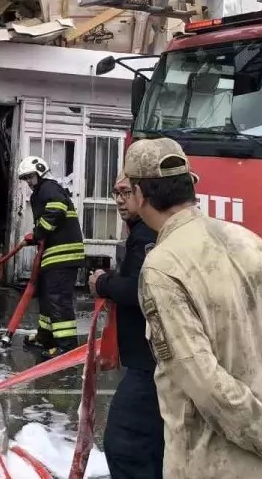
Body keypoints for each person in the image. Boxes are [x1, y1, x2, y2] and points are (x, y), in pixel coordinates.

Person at [127, 137, 262, 479]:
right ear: (190, 187)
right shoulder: (251, 242)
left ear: (139, 194)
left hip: (213, 465)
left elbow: (205, 384)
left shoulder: (162, 267)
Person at [88, 171, 163, 479]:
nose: (118, 200)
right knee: (153, 444)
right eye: (115, 193)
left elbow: (139, 290)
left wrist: (103, 283)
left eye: (125, 192)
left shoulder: (146, 235)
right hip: (150, 361)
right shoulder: (141, 232)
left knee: (124, 443)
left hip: (150, 363)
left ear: (142, 194)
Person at [18, 155, 85, 361]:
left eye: (30, 177)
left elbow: (56, 211)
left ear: (40, 172)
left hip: (63, 256)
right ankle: (46, 337)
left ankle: (67, 347)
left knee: (58, 300)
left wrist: (38, 233)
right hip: (55, 255)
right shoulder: (43, 190)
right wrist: (35, 237)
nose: (29, 182)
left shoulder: (49, 187)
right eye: (26, 179)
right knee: (47, 299)